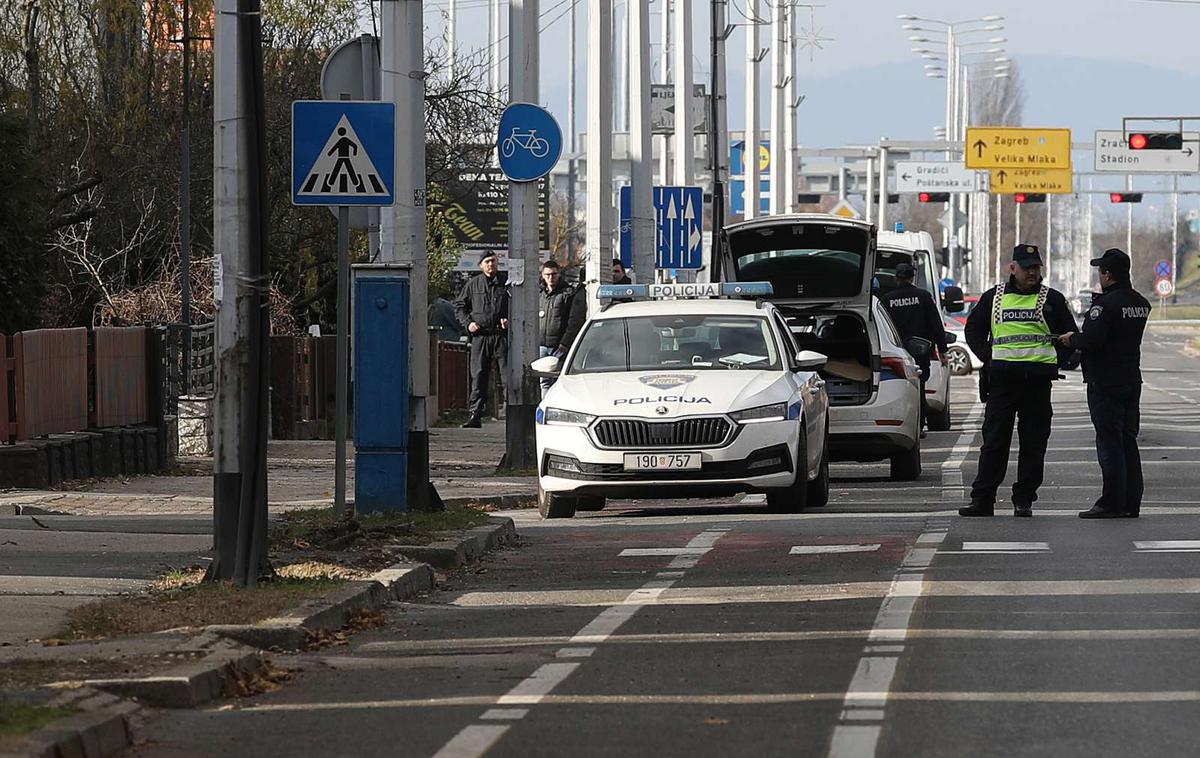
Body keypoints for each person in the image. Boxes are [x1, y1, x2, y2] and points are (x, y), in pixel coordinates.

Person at [959, 244, 1078, 518]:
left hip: (1037, 384)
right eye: (1027, 268)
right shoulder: (994, 298)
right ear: (1013, 268)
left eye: (1036, 267)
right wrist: (987, 357)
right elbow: (973, 328)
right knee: (994, 443)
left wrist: (1056, 359)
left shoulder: (1053, 300)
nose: (1032, 273)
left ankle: (1024, 499)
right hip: (1002, 383)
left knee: (1034, 444)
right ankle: (983, 499)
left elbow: (1071, 335)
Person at [1058, 248, 1151, 519]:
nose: (1099, 276)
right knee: (1127, 441)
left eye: (1101, 271)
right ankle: (1130, 502)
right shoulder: (1140, 303)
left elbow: (1093, 340)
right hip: (1131, 379)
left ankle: (1111, 502)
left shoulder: (1105, 306)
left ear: (1107, 274)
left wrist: (1071, 339)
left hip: (1105, 381)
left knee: (1109, 442)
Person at [881, 261, 948, 436]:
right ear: (913, 277)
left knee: (899, 386)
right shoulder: (923, 296)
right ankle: (919, 425)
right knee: (919, 386)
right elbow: (936, 325)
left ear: (896, 278)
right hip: (920, 350)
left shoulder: (887, 299)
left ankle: (904, 422)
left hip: (896, 350)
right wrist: (943, 350)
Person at [454, 251, 509, 428]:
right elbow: (460, 306)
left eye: (493, 261)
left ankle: (512, 413)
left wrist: (510, 318)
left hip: (501, 336)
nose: (490, 265)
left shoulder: (506, 282)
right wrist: (468, 323)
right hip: (481, 337)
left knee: (508, 376)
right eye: (487, 262)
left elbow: (519, 303)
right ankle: (475, 415)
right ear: (480, 265)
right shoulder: (473, 284)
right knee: (478, 376)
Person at [538, 260, 575, 389]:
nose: (550, 277)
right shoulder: (539, 293)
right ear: (542, 275)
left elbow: (573, 321)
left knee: (560, 381)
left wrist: (565, 342)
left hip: (559, 346)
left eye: (553, 274)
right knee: (544, 382)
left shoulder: (567, 293)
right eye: (547, 274)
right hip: (541, 345)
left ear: (558, 274)